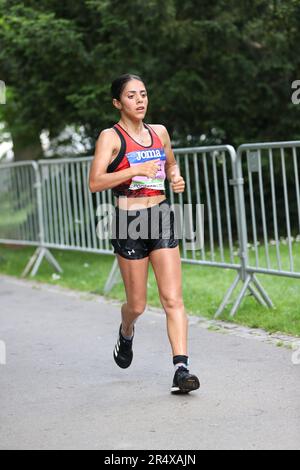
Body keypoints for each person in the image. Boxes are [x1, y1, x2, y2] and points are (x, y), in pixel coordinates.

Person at [89, 73, 200, 394]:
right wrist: (133, 170)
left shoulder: (159, 132)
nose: (140, 101)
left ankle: (182, 368)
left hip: (161, 216)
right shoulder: (111, 137)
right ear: (117, 103)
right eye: (131, 96)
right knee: (137, 305)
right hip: (129, 221)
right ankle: (126, 331)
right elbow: (95, 182)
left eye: (143, 94)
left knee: (172, 299)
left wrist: (176, 178)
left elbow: (171, 163)